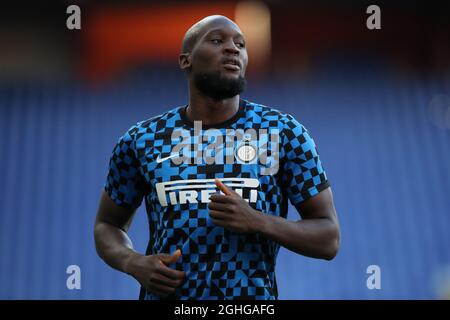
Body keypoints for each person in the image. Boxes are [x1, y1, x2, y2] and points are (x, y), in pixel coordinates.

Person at [94, 15, 340, 300]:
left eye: (241, 44)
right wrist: (132, 261)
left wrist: (258, 221)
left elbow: (328, 237)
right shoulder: (143, 139)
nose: (233, 48)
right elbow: (107, 225)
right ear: (186, 60)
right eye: (216, 40)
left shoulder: (282, 133)